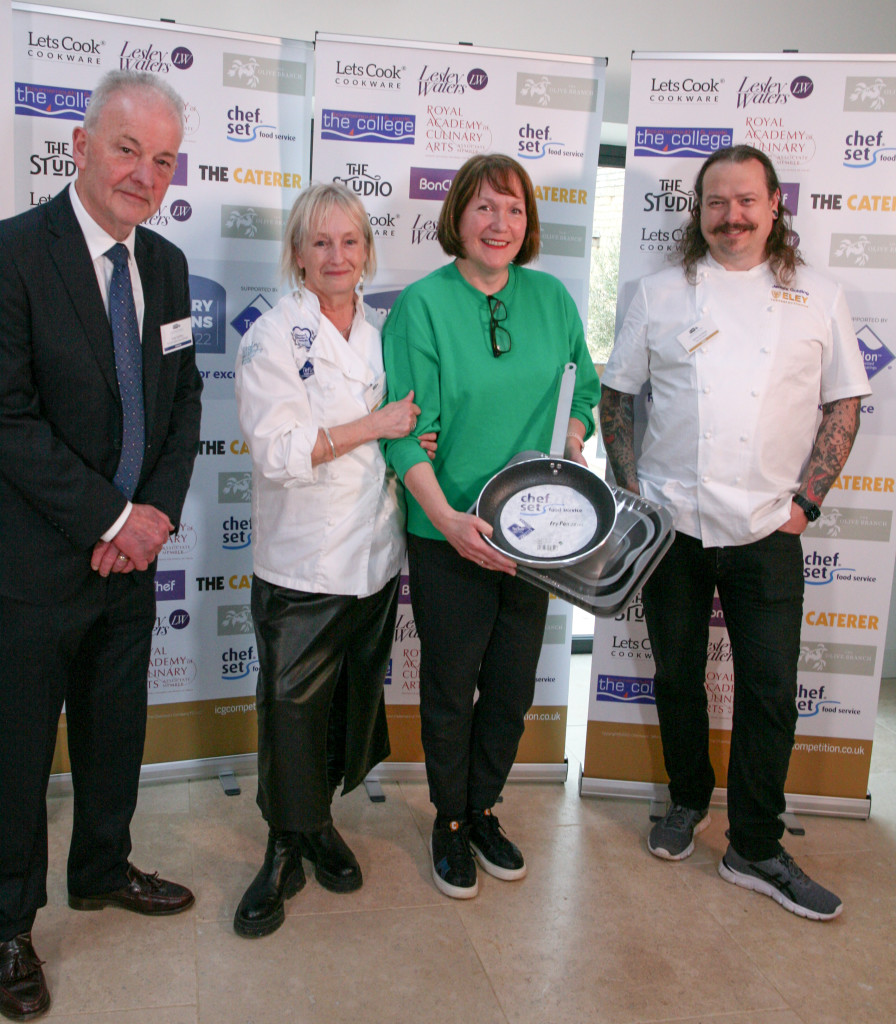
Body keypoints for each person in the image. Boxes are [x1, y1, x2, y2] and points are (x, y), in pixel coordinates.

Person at [0, 69, 203, 1019]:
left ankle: (102, 866)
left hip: (133, 553)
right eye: (128, 149)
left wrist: (155, 520)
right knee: (23, 741)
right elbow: (6, 419)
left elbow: (183, 407)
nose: (145, 173)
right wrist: (112, 517)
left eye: (164, 158)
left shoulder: (169, 266)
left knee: (115, 725)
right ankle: (6, 927)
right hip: (38, 553)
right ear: (80, 146)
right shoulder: (5, 253)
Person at [600, 144, 868, 922]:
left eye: (746, 200)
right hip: (672, 530)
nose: (732, 216)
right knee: (678, 677)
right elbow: (619, 397)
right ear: (699, 211)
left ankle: (754, 843)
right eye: (717, 202)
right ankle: (686, 800)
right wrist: (630, 491)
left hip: (766, 530)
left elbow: (844, 401)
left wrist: (805, 504)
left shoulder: (819, 295)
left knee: (768, 691)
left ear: (774, 205)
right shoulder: (657, 293)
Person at [381, 154, 600, 899]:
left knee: (510, 686)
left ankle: (482, 809)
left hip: (536, 535)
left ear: (528, 223)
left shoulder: (554, 300)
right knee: (451, 684)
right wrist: (446, 519)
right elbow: (407, 434)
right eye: (482, 208)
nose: (498, 223)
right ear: (457, 219)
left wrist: (571, 436)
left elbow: (586, 389)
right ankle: (447, 821)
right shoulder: (423, 306)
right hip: (451, 531)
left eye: (512, 209)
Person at [233, 183, 433, 938]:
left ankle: (317, 826)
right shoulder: (271, 336)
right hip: (302, 562)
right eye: (320, 243)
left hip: (375, 558)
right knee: (288, 712)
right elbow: (281, 451)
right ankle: (282, 847)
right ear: (297, 256)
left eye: (350, 242)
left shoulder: (386, 331)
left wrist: (410, 438)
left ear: (366, 252)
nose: (337, 257)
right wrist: (374, 424)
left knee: (347, 706)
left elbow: (409, 427)